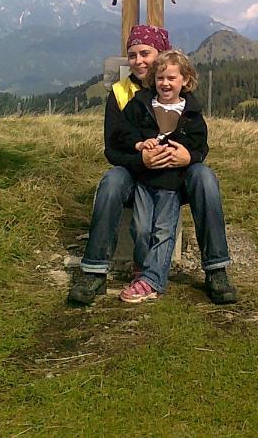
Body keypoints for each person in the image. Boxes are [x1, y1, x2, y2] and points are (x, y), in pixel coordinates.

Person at [68, 24, 237, 306]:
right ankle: (93, 271)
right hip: (138, 174)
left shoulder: (176, 88)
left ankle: (216, 269)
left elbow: (200, 142)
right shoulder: (122, 93)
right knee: (111, 182)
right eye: (132, 55)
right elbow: (112, 148)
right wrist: (140, 159)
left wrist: (190, 158)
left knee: (205, 177)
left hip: (176, 177)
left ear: (161, 55)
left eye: (145, 53)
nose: (139, 61)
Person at [116, 50, 207, 303]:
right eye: (159, 78)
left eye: (171, 78)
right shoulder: (142, 104)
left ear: (185, 81)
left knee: (163, 230)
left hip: (171, 183)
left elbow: (200, 144)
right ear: (153, 80)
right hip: (144, 179)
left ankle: (152, 280)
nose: (165, 83)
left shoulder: (191, 113)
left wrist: (187, 155)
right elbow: (124, 131)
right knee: (141, 227)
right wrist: (138, 145)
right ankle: (143, 267)